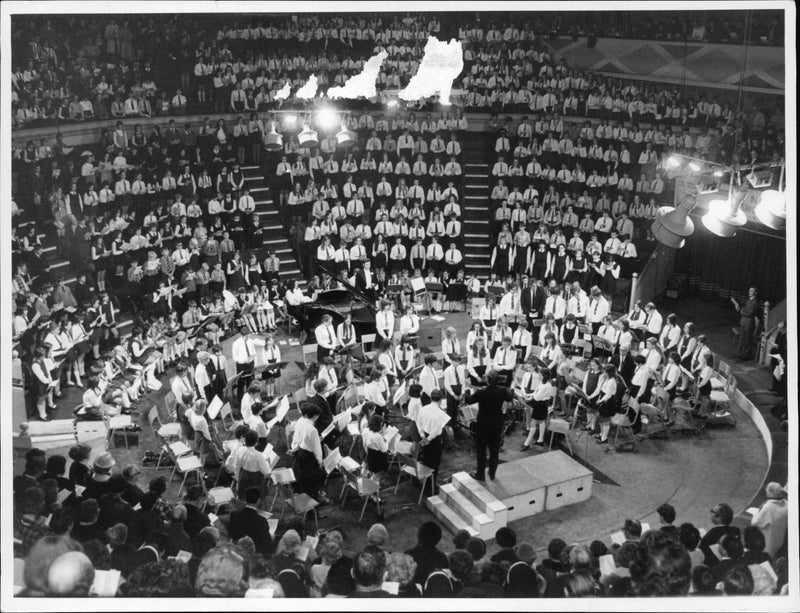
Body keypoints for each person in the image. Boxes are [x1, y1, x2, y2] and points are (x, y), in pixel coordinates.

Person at [465, 370, 518, 481]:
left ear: (487, 381)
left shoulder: (481, 392)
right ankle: (492, 473)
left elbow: (469, 401)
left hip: (483, 425)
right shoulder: (502, 391)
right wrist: (512, 389)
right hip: (497, 423)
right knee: (494, 450)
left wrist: (467, 392)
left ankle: (480, 474)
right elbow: (510, 397)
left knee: (481, 451)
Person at [288, 403, 324, 501]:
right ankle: (312, 502)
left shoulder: (300, 421)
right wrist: (320, 461)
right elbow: (317, 449)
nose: (317, 417)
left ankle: (303, 496)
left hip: (300, 452)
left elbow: (298, 436)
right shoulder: (313, 430)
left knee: (303, 478)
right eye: (316, 415)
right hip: (309, 456)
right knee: (311, 481)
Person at [227, 486, 274, 558]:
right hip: (254, 555)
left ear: (246, 499)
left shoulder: (234, 515)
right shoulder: (261, 520)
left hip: (236, 552)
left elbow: (230, 533)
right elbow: (267, 543)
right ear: (258, 500)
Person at [416, 389, 449, 478]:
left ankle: (425, 480)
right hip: (435, 439)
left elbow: (418, 423)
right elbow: (436, 430)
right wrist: (428, 439)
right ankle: (432, 483)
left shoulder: (423, 409)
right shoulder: (441, 413)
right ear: (441, 400)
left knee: (427, 458)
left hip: (425, 436)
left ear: (431, 398)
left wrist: (423, 436)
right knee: (435, 461)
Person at [750, 482, 788, 558]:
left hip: (768, 543)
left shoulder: (769, 506)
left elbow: (755, 522)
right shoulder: (786, 503)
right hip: (780, 540)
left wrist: (755, 514)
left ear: (770, 493)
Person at [733, 287, 759, 360]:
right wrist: (740, 308)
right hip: (744, 322)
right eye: (749, 290)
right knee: (742, 339)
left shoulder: (755, 302)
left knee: (747, 340)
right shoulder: (748, 300)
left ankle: (746, 355)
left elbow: (749, 313)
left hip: (749, 324)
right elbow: (745, 309)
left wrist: (741, 310)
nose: (749, 292)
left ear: (755, 293)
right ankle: (740, 354)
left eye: (751, 291)